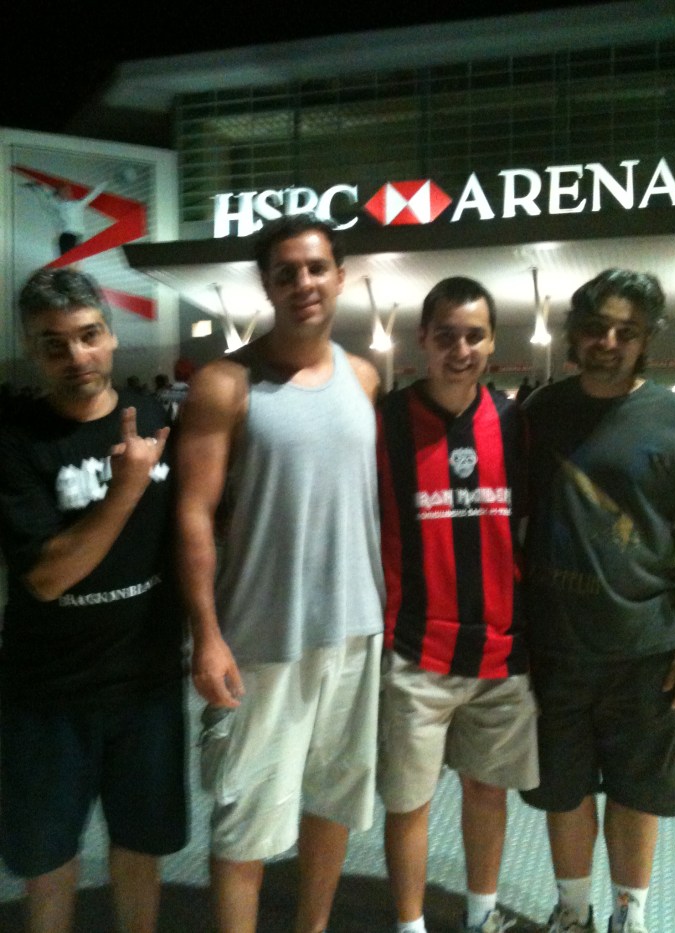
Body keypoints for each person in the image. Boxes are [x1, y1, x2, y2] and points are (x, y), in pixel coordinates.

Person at [175, 214, 385, 933]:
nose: (304, 283)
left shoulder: (364, 377)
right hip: (263, 638)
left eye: (317, 268)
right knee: (246, 826)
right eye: (286, 272)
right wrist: (207, 635)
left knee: (333, 805)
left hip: (355, 631)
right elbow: (194, 514)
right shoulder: (225, 384)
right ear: (267, 285)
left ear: (340, 277)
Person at [0, 268, 188, 933]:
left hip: (148, 683)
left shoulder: (156, 419)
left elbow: (187, 536)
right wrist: (125, 488)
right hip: (47, 691)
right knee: (48, 858)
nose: (76, 355)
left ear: (110, 336)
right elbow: (47, 576)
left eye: (88, 335)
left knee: (141, 847)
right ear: (33, 351)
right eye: (54, 344)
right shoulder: (15, 439)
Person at [521, 269, 675, 933]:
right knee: (562, 791)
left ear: (647, 339)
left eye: (627, 331)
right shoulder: (539, 414)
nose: (609, 342)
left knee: (636, 791)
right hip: (554, 644)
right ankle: (573, 914)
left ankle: (629, 918)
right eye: (597, 328)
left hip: (647, 648)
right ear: (575, 333)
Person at [376, 277, 539, 933]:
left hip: (500, 651)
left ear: (493, 342)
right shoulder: (386, 422)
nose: (461, 349)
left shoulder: (513, 423)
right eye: (446, 335)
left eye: (475, 336)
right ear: (423, 339)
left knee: (487, 790)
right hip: (415, 650)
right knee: (409, 801)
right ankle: (410, 925)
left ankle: (481, 916)